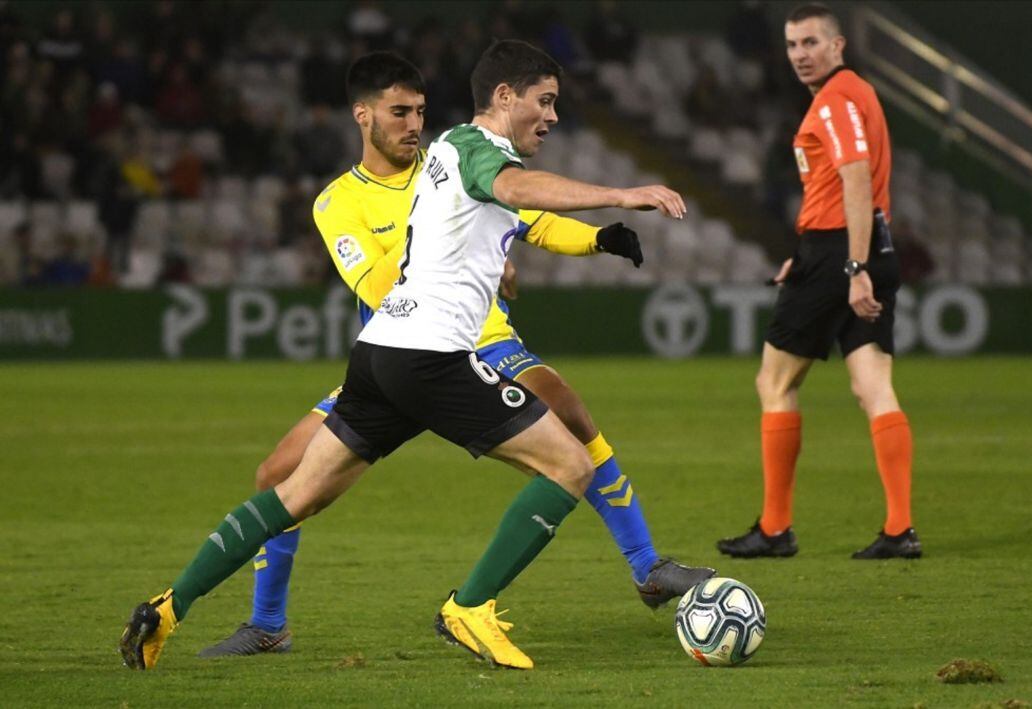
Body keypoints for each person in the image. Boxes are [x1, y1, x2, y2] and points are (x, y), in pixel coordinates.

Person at [119, 39, 688, 671]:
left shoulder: (440, 156)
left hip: (380, 353)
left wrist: (591, 239)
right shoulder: (475, 150)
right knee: (570, 466)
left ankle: (167, 607)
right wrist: (622, 192)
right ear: (504, 98)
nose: (552, 117)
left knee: (295, 493)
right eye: (544, 102)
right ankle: (470, 607)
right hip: (433, 356)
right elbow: (516, 187)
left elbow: (515, 212)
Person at [717, 3, 921, 560]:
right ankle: (900, 529)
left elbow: (854, 179)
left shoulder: (832, 101)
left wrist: (847, 268)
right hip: (868, 245)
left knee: (775, 382)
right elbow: (847, 186)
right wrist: (814, 256)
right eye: (792, 45)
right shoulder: (862, 94)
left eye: (811, 43)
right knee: (873, 387)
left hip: (843, 254)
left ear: (838, 46)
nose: (800, 55)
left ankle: (776, 528)